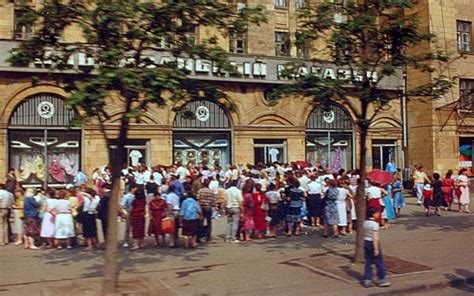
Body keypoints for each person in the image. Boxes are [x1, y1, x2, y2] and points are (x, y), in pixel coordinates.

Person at [362, 207, 391, 288]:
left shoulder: (365, 223)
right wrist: (376, 249)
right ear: (373, 214)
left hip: (366, 242)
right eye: (377, 213)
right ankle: (381, 279)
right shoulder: (374, 224)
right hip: (373, 243)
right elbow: (375, 237)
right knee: (379, 262)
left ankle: (367, 279)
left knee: (368, 262)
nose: (379, 214)